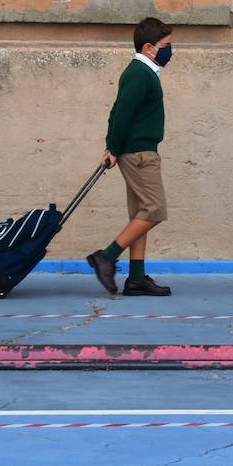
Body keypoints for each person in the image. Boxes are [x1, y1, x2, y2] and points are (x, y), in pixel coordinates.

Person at [85, 17, 174, 297]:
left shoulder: (145, 72)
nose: (171, 51)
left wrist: (113, 148)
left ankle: (136, 278)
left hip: (138, 151)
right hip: (139, 154)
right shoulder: (139, 73)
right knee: (154, 210)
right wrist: (113, 147)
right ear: (149, 48)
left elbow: (119, 110)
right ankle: (107, 257)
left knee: (140, 213)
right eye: (166, 45)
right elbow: (121, 113)